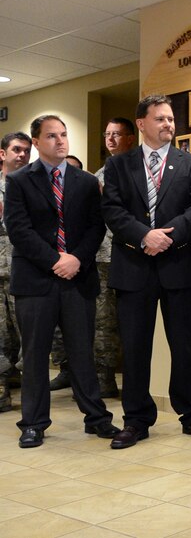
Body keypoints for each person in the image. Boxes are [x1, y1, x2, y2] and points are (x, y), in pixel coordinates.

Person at [101, 95, 191, 449]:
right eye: (161, 119)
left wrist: (166, 238)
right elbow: (113, 210)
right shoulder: (119, 166)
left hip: (179, 264)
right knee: (135, 348)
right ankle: (136, 420)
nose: (168, 124)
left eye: (170, 119)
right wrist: (144, 235)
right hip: (134, 266)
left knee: (183, 345)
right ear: (141, 123)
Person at [4, 115, 119, 448]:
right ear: (37, 143)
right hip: (36, 280)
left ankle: (96, 418)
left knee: (83, 352)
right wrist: (56, 260)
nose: (60, 140)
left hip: (77, 279)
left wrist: (76, 259)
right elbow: (19, 230)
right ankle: (34, 423)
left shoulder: (85, 182)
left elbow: (96, 227)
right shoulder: (20, 181)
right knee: (36, 354)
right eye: (51, 136)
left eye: (64, 135)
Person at [51, 119, 136, 397]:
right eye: (107, 134)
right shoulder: (96, 176)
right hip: (98, 257)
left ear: (131, 138)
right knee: (101, 320)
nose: (111, 140)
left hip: (130, 255)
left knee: (124, 321)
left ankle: (116, 377)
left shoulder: (137, 169)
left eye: (117, 135)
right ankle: (102, 377)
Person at [0, 132, 31, 412]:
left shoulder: (35, 185)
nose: (21, 155)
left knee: (29, 335)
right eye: (16, 150)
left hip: (26, 272)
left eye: (26, 151)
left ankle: (31, 393)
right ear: (3, 154)